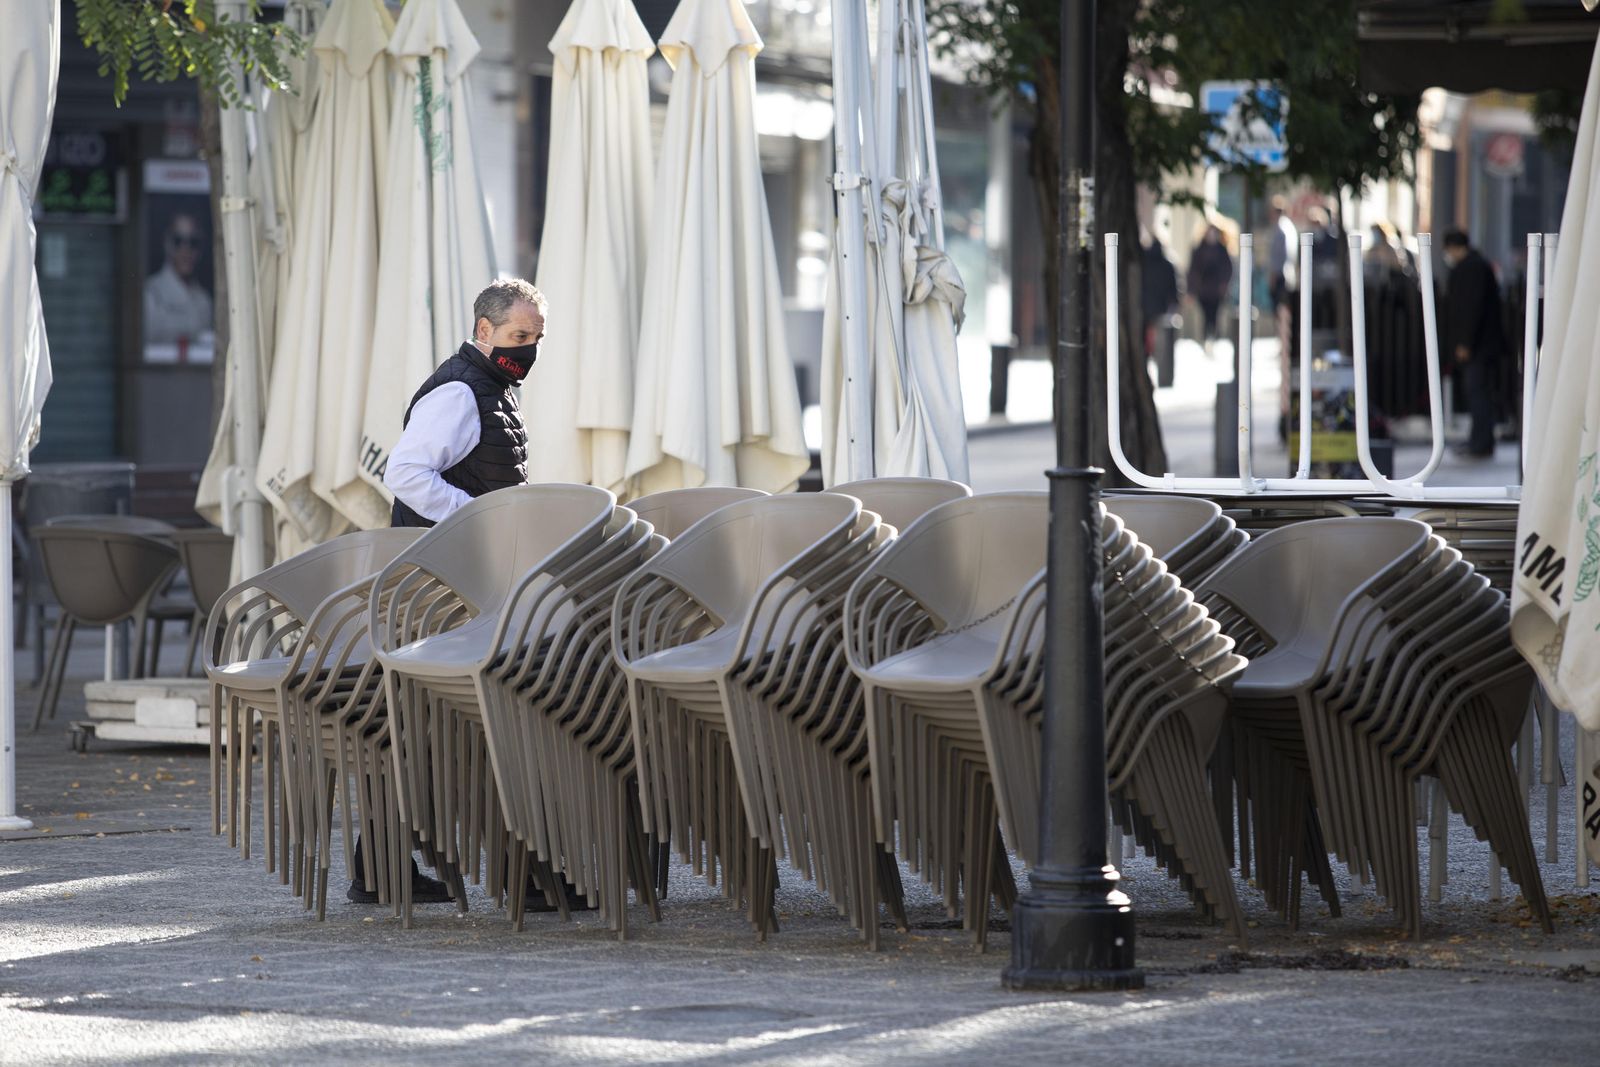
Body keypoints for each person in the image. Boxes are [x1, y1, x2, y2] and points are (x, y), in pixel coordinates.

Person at [385, 278, 544, 528]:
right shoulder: (458, 392)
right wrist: (478, 517)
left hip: (474, 556)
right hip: (444, 560)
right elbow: (405, 473)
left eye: (537, 338)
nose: (530, 349)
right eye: (521, 336)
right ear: (484, 330)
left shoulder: (493, 385)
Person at [1442, 229, 1507, 459]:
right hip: (1482, 345)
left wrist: (1464, 343)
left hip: (1478, 346)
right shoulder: (1478, 266)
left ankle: (1480, 443)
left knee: (1477, 393)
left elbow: (1471, 308)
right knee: (1479, 393)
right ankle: (1479, 440)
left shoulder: (1472, 268)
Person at [143, 211, 214, 348]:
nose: (185, 250)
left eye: (193, 242)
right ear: (167, 244)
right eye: (178, 241)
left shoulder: (203, 300)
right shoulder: (150, 295)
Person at [1186, 224, 1233, 343]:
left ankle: (1213, 337)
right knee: (1206, 316)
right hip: (1203, 291)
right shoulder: (1199, 249)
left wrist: (1224, 284)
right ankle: (1207, 338)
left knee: (1214, 315)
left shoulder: (1222, 250)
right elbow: (1193, 271)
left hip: (1216, 291)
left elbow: (1228, 268)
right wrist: (1191, 290)